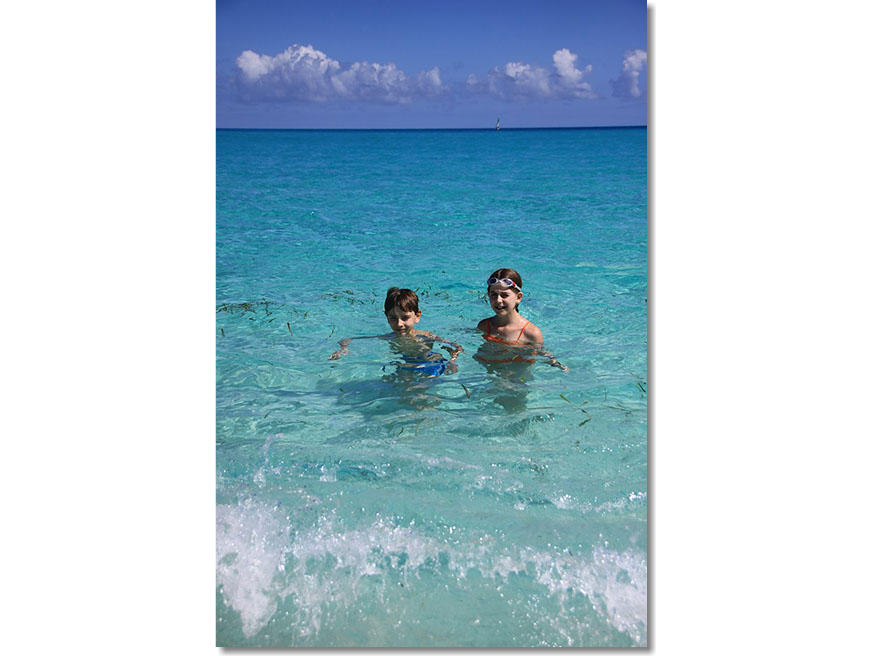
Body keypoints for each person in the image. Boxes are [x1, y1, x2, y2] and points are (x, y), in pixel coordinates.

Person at [329, 287, 463, 375]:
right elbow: (347, 340)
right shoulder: (390, 337)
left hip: (430, 364)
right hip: (406, 364)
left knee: (418, 394)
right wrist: (342, 350)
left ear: (417, 316)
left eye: (405, 318)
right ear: (386, 317)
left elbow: (456, 347)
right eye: (393, 318)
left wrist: (452, 361)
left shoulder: (424, 336)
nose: (399, 324)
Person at [475, 268, 568, 371]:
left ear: (518, 297)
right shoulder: (484, 326)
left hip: (517, 378)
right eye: (493, 295)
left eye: (504, 295)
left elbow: (543, 354)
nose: (498, 300)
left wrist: (560, 367)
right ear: (488, 295)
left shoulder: (530, 333)